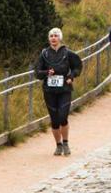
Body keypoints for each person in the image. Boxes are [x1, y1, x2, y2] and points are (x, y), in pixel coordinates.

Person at [35, 28, 83, 156]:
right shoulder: (44, 54)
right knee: (54, 119)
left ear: (60, 38)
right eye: (51, 36)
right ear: (49, 39)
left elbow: (78, 66)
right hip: (49, 90)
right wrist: (46, 73)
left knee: (63, 117)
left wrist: (71, 76)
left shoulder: (67, 53)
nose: (53, 38)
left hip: (64, 89)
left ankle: (66, 143)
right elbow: (37, 73)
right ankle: (58, 145)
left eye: (56, 36)